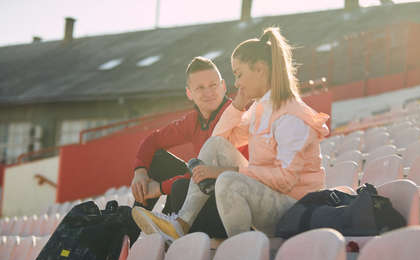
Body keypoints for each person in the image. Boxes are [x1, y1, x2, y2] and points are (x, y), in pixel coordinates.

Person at [131, 27, 330, 242]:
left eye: (239, 74)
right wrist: (237, 105)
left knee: (227, 180)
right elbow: (219, 141)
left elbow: (285, 180)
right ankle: (181, 224)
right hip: (270, 198)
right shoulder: (260, 109)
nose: (237, 83)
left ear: (260, 70)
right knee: (215, 147)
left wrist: (226, 170)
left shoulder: (291, 116)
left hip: (295, 208)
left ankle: (244, 252)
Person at [131, 56, 247, 238]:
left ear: (223, 86)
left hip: (230, 203)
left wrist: (161, 188)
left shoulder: (232, 116)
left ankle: (169, 228)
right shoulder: (193, 120)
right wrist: (139, 172)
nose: (208, 92)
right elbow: (152, 140)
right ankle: (130, 233)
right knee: (157, 160)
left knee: (180, 188)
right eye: (200, 88)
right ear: (189, 93)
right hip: (204, 191)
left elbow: (208, 173)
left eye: (213, 85)